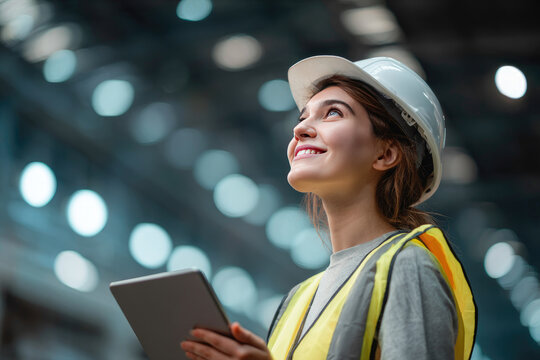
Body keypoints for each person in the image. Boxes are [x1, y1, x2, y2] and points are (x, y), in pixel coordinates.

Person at [180, 55, 477, 360]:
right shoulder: (297, 299)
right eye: (302, 118)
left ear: (386, 153)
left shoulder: (407, 267)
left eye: (333, 113)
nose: (301, 130)